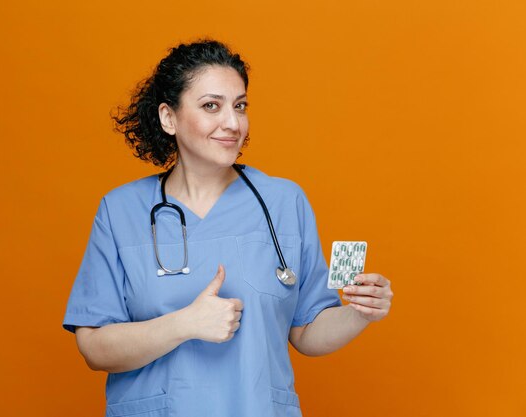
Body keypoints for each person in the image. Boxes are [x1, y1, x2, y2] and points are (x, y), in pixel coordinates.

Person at [63, 39, 393, 417]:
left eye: (240, 106)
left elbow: (307, 331)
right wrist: (184, 323)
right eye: (211, 106)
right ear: (169, 117)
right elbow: (93, 347)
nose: (233, 123)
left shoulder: (284, 202)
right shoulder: (121, 210)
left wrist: (358, 313)